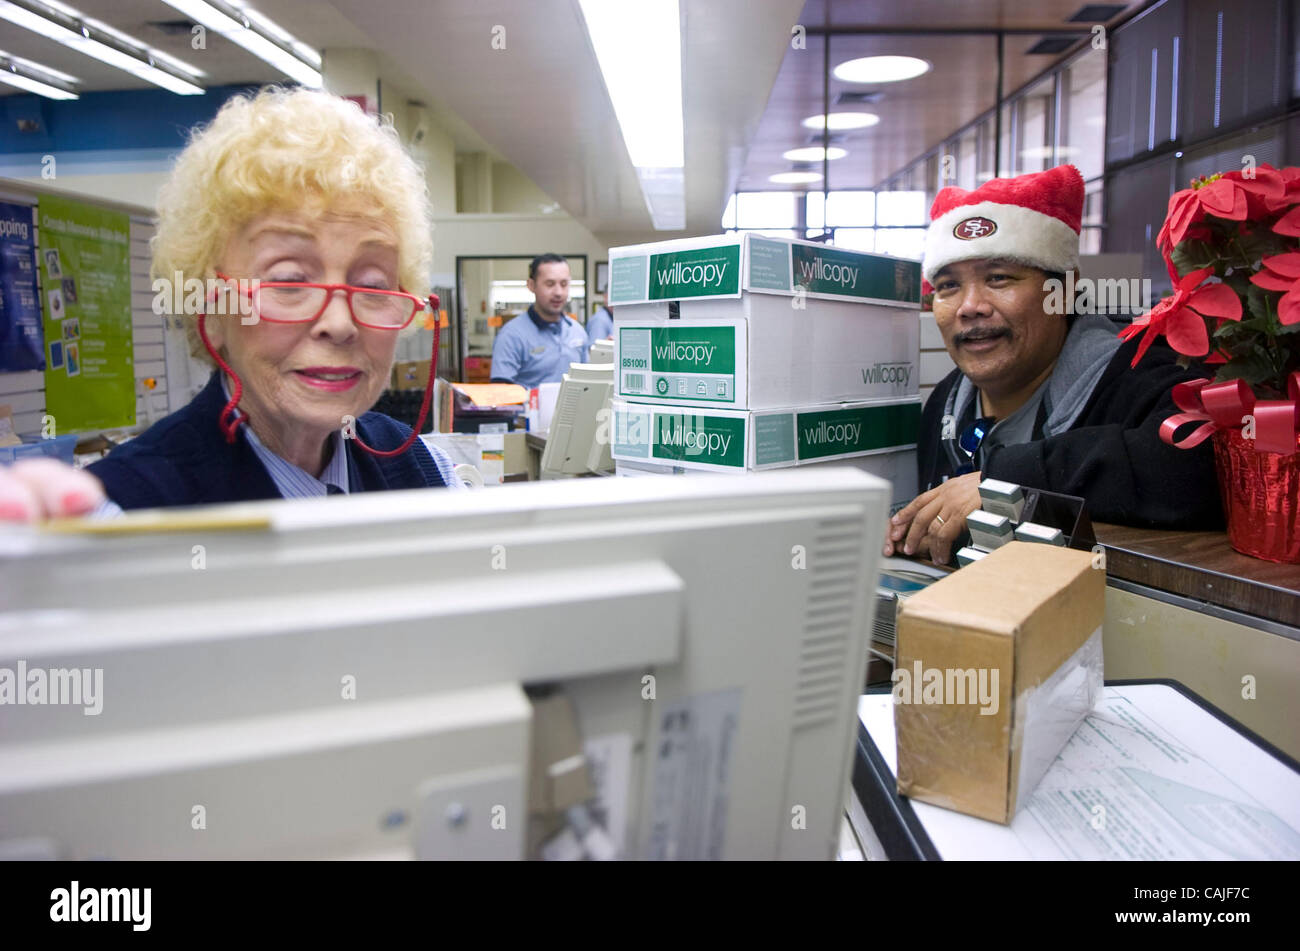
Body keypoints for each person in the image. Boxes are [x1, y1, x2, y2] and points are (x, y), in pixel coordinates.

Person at [0, 87, 459, 521]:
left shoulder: (427, 476)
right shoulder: (122, 515)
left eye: (373, 286)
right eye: (289, 279)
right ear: (210, 309)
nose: (339, 324)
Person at [885, 164, 1222, 565]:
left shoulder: (1135, 374)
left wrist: (1007, 480)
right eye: (948, 287)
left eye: (999, 278)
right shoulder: (945, 405)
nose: (970, 307)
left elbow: (1203, 462)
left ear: (1062, 291)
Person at [490, 253, 588, 387]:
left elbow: (588, 384)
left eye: (564, 284)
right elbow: (501, 394)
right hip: (530, 408)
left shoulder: (577, 332)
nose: (558, 292)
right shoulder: (511, 335)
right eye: (550, 284)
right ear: (531, 285)